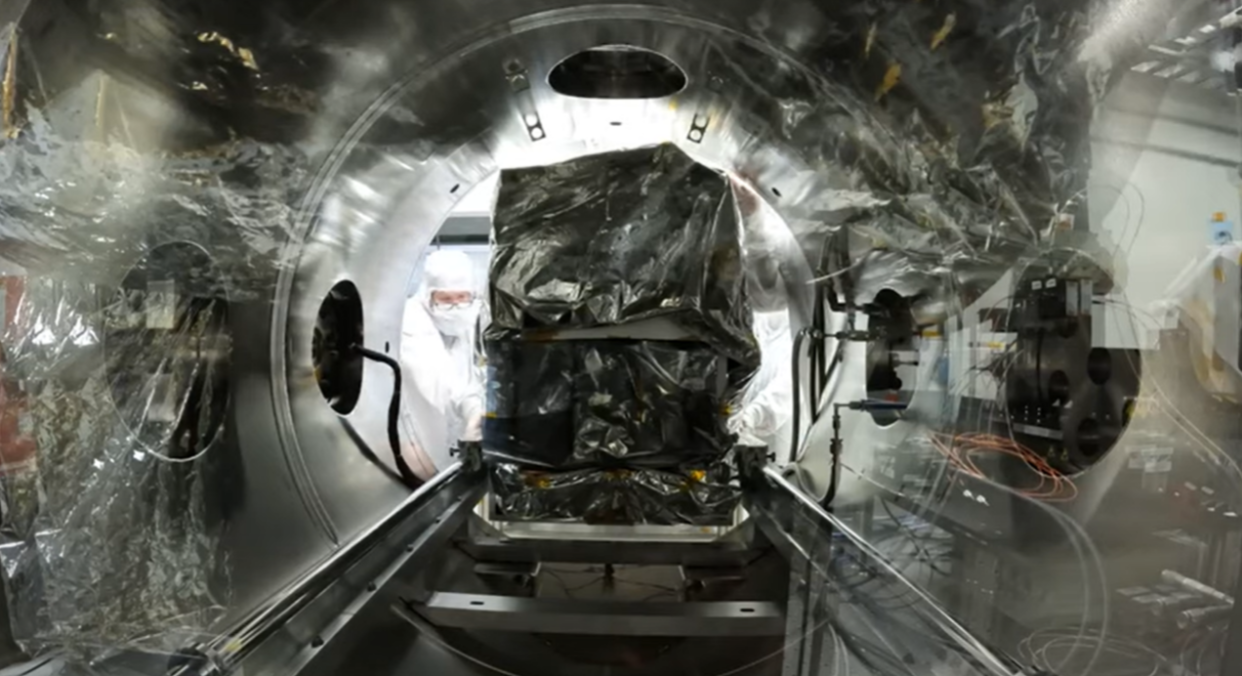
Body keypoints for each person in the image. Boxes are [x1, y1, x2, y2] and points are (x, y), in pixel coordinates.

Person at [399, 249, 486, 477]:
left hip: (451, 444)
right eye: (445, 299)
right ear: (428, 296)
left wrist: (475, 412)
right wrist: (470, 409)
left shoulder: (470, 321)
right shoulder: (410, 323)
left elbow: (474, 374)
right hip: (413, 439)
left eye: (462, 298)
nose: (455, 307)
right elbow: (440, 387)